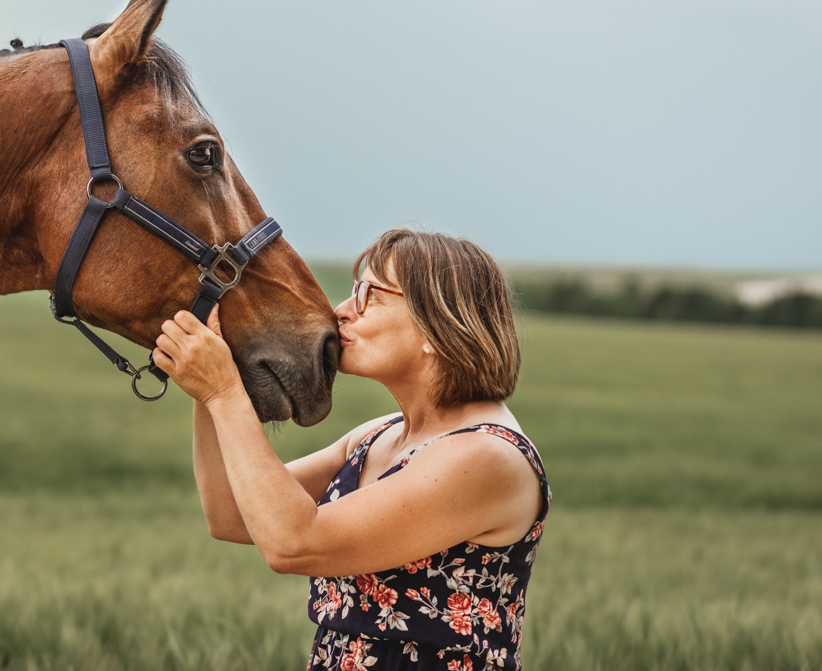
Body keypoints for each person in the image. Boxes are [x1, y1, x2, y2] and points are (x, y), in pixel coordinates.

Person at [152, 229, 550, 671]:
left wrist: (225, 392)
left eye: (370, 296)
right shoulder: (376, 436)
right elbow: (229, 513)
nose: (342, 311)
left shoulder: (487, 457)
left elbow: (294, 543)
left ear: (437, 327)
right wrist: (209, 374)